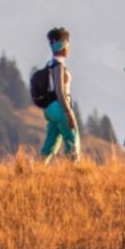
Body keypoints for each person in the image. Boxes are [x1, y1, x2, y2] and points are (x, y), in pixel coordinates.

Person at [41, 26, 80, 164]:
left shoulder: (49, 64)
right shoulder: (59, 66)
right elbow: (60, 91)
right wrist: (68, 113)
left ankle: (39, 168)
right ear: (64, 45)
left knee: (51, 142)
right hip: (60, 107)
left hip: (50, 108)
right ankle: (75, 170)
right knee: (72, 138)